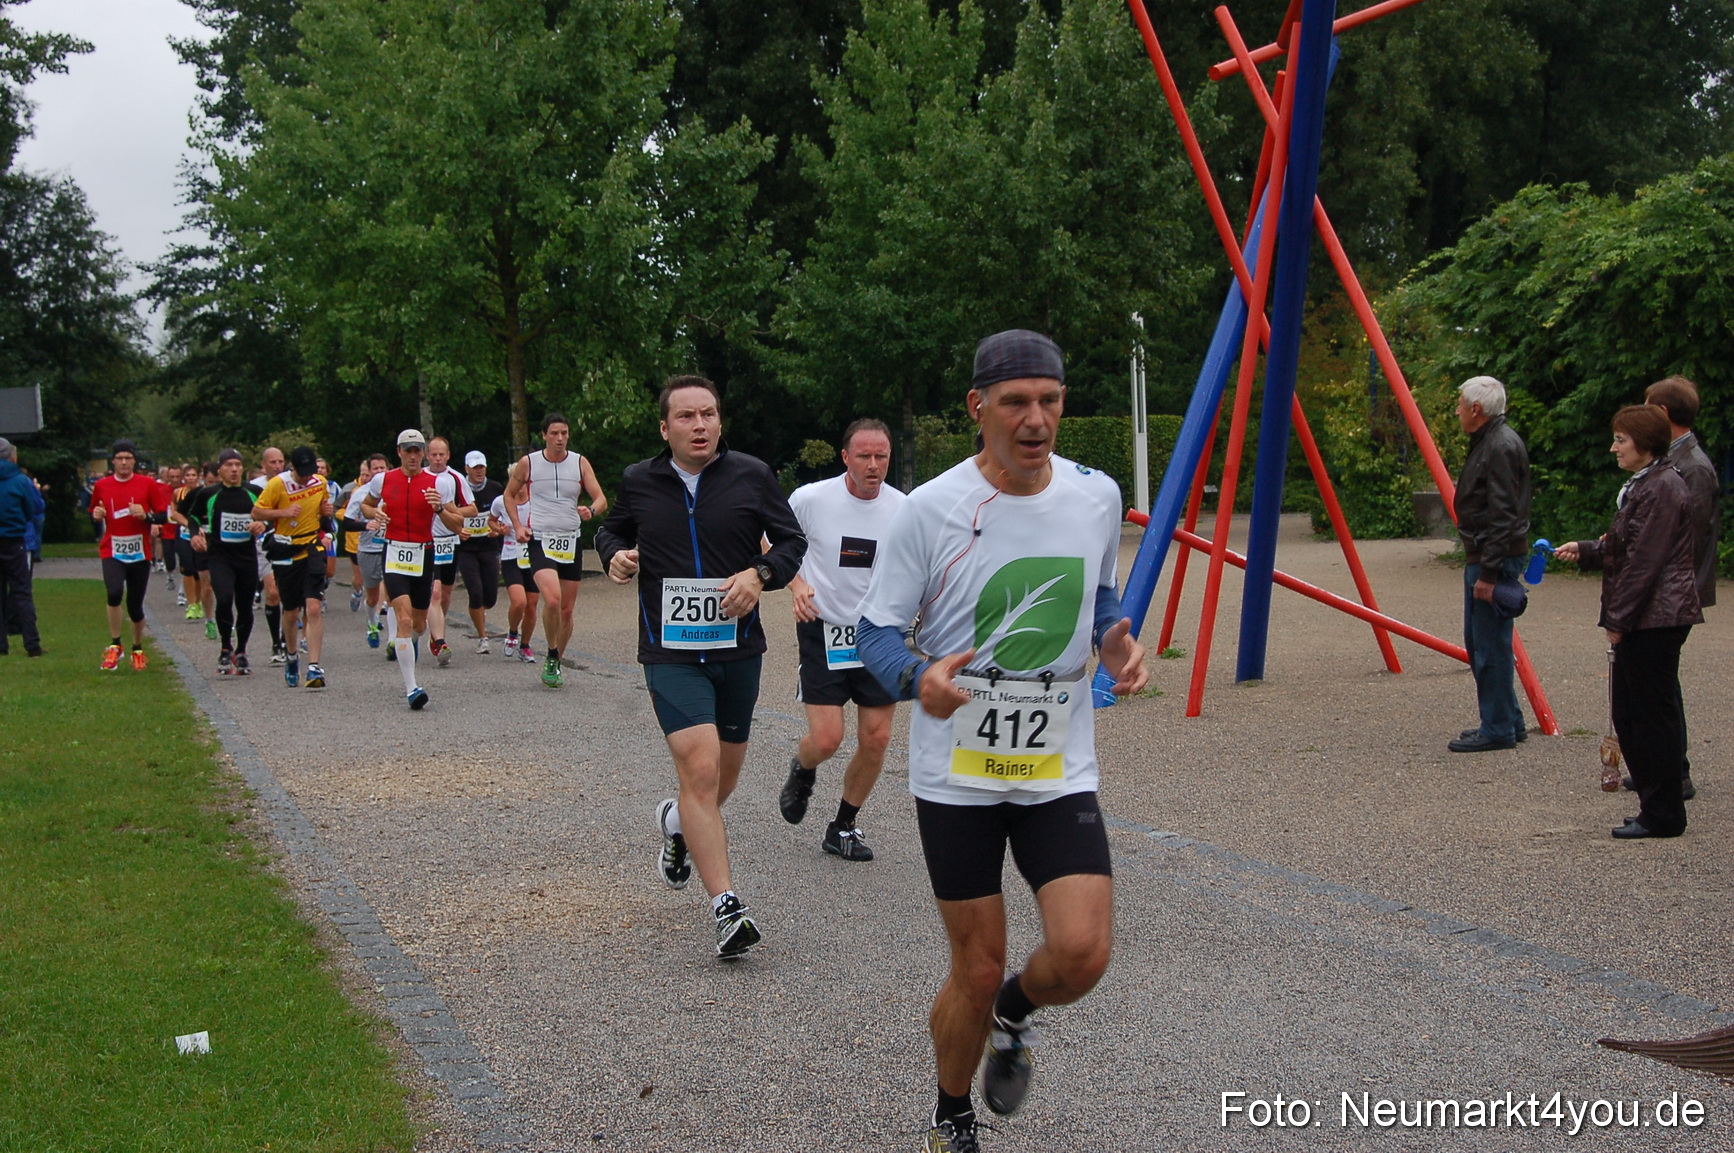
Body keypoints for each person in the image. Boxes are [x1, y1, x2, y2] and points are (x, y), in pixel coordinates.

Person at [855, 330, 1148, 1153]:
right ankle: (953, 1114)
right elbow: (874, 633)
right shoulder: (928, 509)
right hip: (959, 773)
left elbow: (1098, 594)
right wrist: (921, 681)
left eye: (1049, 401)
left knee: (1083, 953)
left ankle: (1017, 1012)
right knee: (974, 969)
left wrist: (1118, 640)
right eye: (1016, 402)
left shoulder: (1095, 494)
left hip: (1057, 760)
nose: (1035, 419)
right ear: (978, 408)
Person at [594, 376, 806, 957]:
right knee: (702, 767)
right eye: (686, 417)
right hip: (670, 651)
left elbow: (791, 544)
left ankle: (676, 824)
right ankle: (727, 908)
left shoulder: (752, 476)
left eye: (708, 414)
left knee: (718, 784)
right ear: (665, 429)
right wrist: (615, 555)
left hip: (737, 651)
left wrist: (758, 576)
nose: (700, 425)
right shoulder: (641, 480)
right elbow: (610, 528)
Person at [1554, 405, 1701, 839]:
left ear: (1645, 443)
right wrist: (1586, 548)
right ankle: (1656, 806)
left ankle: (1664, 813)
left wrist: (1618, 619)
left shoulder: (1662, 488)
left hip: (1656, 617)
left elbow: (1645, 562)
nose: (1614, 447)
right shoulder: (1649, 484)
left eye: (1621, 439)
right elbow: (1626, 544)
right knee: (1635, 713)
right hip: (1650, 614)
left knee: (1649, 716)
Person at [778, 418, 905, 861]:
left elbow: (919, 567)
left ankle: (843, 825)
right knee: (828, 739)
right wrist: (796, 585)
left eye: (881, 457)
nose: (873, 465)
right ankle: (804, 766)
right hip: (823, 627)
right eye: (865, 456)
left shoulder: (903, 508)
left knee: (876, 738)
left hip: (879, 633)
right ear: (845, 457)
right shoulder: (810, 499)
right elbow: (771, 540)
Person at [1641, 375, 1716, 801]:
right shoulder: (1672, 459)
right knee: (1658, 684)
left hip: (1674, 593)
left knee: (1661, 685)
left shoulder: (1693, 467)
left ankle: (1674, 772)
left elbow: (1688, 537)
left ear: (1664, 414)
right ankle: (1663, 766)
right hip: (1668, 589)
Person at [1448, 375, 1532, 753]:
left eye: (1461, 405)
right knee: (1483, 640)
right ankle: (1507, 718)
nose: (1457, 411)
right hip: (1488, 552)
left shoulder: (1498, 446)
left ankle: (1498, 726)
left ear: (1476, 410)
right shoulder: (1494, 441)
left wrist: (1489, 574)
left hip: (1490, 555)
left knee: (1488, 644)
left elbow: (1503, 514)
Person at [362, 429, 465, 709]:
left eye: (417, 450)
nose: (413, 455)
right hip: (394, 554)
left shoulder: (438, 484)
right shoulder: (383, 480)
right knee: (404, 621)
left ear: (423, 453)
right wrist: (375, 514)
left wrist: (440, 511)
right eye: (407, 450)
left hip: (423, 555)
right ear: (398, 452)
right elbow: (365, 506)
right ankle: (412, 688)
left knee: (419, 624)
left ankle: (409, 643)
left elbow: (458, 525)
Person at [505, 413, 608, 688]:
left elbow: (600, 498)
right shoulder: (529, 463)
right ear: (544, 436)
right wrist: (517, 525)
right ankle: (551, 649)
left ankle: (555, 662)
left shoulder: (579, 462)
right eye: (554, 434)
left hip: (570, 540)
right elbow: (508, 495)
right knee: (551, 599)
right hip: (540, 539)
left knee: (566, 609)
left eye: (564, 433)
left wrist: (591, 510)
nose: (560, 439)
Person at [252, 445, 335, 689]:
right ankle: (290, 656)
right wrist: (283, 512)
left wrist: (325, 511)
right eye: (302, 472)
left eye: (310, 471)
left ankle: (314, 666)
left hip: (311, 547)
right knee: (290, 611)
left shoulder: (319, 482)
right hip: (286, 551)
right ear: (292, 467)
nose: (307, 476)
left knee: (313, 608)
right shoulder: (278, 484)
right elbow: (256, 512)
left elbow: (323, 510)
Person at [90, 439, 172, 671]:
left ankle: (137, 647)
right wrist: (96, 515)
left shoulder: (147, 484)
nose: (124, 463)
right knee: (114, 592)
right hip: (112, 549)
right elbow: (95, 511)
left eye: (128, 458)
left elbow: (162, 516)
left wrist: (146, 516)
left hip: (139, 551)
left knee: (135, 605)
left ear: (134, 461)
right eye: (120, 458)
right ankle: (115, 645)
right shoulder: (102, 485)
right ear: (113, 461)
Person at [186, 448, 264, 674]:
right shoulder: (209, 494)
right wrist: (194, 534)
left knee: (245, 605)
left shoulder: (254, 492)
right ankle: (225, 648)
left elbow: (270, 515)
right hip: (220, 556)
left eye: (238, 465)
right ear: (219, 469)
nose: (234, 469)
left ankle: (241, 650)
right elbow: (192, 517)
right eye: (229, 465)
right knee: (224, 598)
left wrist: (263, 525)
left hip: (247, 556)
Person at [423, 436, 477, 668]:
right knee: (433, 593)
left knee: (444, 594)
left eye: (441, 455)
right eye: (433, 454)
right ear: (427, 455)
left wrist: (450, 512)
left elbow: (472, 509)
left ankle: (435, 632)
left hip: (449, 541)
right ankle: (440, 640)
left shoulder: (454, 478)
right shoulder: (420, 477)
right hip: (427, 542)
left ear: (448, 455)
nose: (437, 459)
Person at [456, 450, 505, 654]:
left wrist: (498, 529)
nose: (478, 471)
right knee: (475, 592)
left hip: (489, 546)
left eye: (481, 467)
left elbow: (503, 514)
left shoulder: (495, 488)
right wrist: (457, 530)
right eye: (474, 467)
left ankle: (481, 613)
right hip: (466, 549)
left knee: (490, 596)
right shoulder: (459, 489)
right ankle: (482, 637)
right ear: (466, 468)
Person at [0, 436, 45, 657]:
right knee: (22, 593)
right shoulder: (20, 480)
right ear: (11, 456)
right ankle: (31, 643)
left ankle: (1, 645)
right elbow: (35, 509)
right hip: (14, 540)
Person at [343, 455, 390, 650]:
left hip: (392, 547)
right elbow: (346, 522)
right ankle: (372, 624)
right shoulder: (361, 493)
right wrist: (365, 525)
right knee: (372, 596)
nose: (379, 472)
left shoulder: (396, 490)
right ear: (369, 472)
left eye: (382, 468)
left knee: (394, 594)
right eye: (375, 469)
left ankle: (395, 640)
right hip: (368, 549)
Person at [490, 488, 540, 662]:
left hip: (533, 556)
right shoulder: (501, 501)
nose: (519, 486)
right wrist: (499, 529)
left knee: (532, 605)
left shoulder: (537, 500)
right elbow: (491, 521)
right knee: (519, 601)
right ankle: (512, 633)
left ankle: (525, 646)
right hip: (511, 555)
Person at [251, 446, 289, 662]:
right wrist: (256, 523)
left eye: (280, 462)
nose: (276, 466)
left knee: (289, 595)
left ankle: (287, 638)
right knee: (273, 592)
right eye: (272, 462)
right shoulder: (254, 487)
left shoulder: (292, 484)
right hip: (264, 546)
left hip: (289, 544)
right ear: (263, 465)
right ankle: (277, 642)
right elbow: (249, 514)